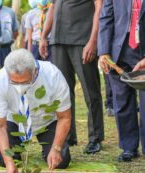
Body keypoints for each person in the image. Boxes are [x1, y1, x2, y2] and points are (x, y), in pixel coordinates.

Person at [0, 49, 71, 173]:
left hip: (46, 122)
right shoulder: (0, 80)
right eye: (14, 82)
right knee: (4, 160)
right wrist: (9, 162)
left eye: (25, 82)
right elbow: (0, 125)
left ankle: (48, 150)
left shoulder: (53, 75)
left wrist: (56, 148)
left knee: (62, 161)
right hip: (15, 122)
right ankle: (16, 152)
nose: (20, 87)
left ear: (34, 72)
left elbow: (64, 117)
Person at [39, 0, 104, 154]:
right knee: (62, 93)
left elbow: (99, 6)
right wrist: (43, 36)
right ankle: (68, 135)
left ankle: (95, 137)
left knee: (90, 90)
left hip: (82, 40)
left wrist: (93, 41)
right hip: (58, 41)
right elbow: (53, 7)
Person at [98, 0, 145, 161]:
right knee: (122, 101)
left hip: (143, 51)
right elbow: (105, 18)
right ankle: (128, 147)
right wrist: (103, 51)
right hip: (119, 51)